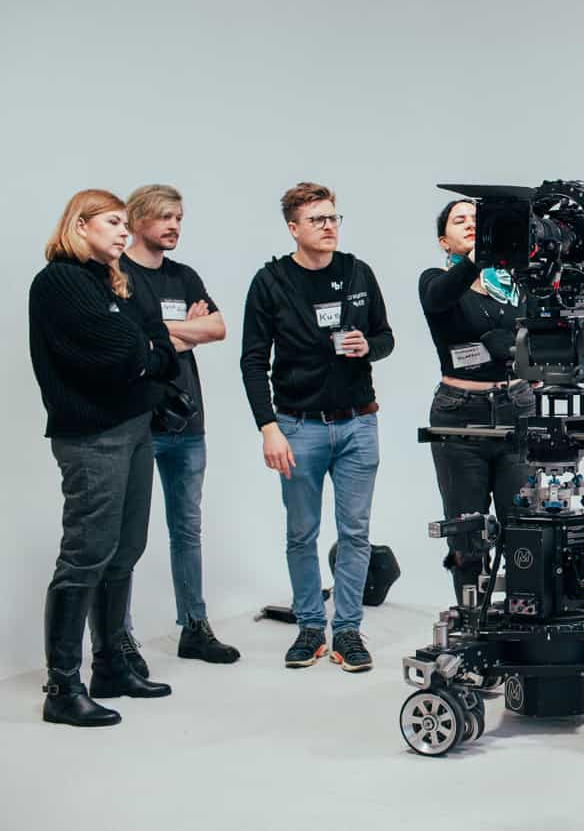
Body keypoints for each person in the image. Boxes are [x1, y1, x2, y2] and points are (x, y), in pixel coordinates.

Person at [29, 189, 177, 727]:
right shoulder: (59, 281)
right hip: (92, 436)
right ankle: (62, 688)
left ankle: (112, 666)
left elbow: (155, 339)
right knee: (86, 555)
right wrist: (145, 350)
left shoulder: (112, 280)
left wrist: (146, 349)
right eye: (113, 222)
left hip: (133, 428)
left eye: (124, 224)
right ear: (80, 225)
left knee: (125, 549)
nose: (123, 232)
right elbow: (119, 350)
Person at [240, 182, 394, 672]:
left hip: (358, 424)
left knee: (355, 532)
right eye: (317, 220)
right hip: (298, 426)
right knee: (301, 533)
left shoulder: (357, 272)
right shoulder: (270, 282)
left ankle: (347, 630)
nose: (328, 227)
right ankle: (310, 627)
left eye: (333, 218)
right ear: (293, 228)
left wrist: (369, 346)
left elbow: (386, 336)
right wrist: (268, 427)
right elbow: (252, 362)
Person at [121, 184, 241, 666]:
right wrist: (185, 333)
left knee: (187, 528)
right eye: (165, 217)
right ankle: (119, 637)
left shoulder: (183, 276)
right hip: (137, 422)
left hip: (187, 423)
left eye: (179, 218)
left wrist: (162, 334)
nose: (174, 226)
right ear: (137, 220)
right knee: (127, 533)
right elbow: (125, 337)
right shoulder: (117, 274)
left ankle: (194, 626)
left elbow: (218, 327)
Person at [419, 198, 533, 604]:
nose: (470, 223)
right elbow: (439, 298)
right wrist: (478, 255)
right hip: (460, 415)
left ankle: (522, 620)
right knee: (467, 533)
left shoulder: (513, 284)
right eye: (460, 220)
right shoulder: (436, 280)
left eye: (477, 219)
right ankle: (471, 622)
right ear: (443, 240)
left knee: (524, 527)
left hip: (515, 407)